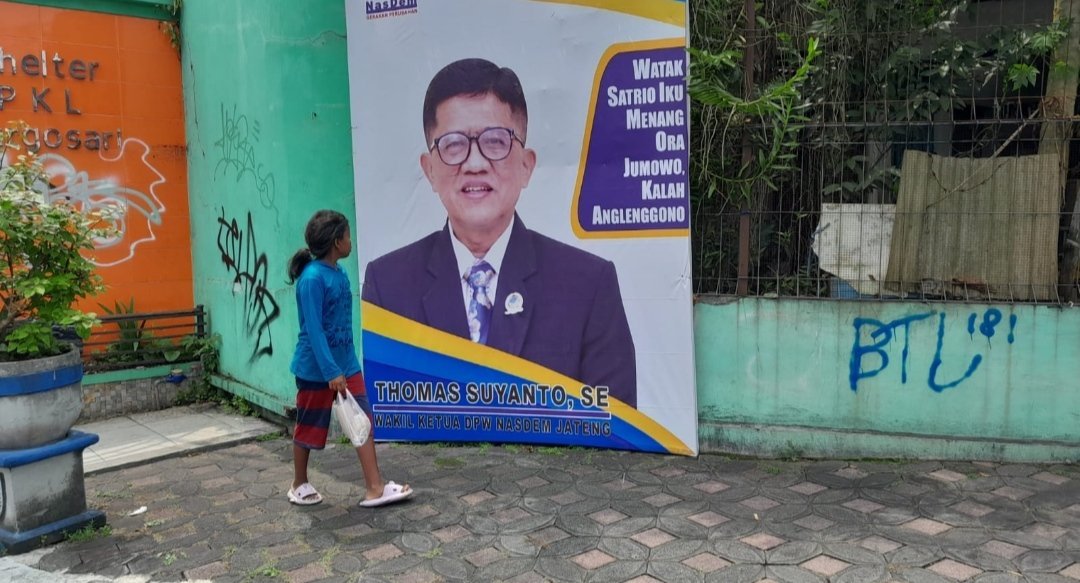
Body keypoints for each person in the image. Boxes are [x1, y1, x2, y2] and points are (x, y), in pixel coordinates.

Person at [362, 58, 637, 407]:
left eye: (495, 141)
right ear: (429, 170)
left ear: (526, 166)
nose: (475, 164)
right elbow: (386, 416)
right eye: (453, 144)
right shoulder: (388, 286)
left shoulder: (588, 285)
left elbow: (614, 424)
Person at [286, 210, 413, 508]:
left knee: (363, 421)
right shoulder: (312, 279)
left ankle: (375, 488)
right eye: (347, 236)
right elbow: (314, 331)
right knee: (309, 426)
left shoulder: (339, 272)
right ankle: (299, 484)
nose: (350, 241)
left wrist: (344, 366)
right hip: (316, 370)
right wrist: (331, 371)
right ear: (336, 242)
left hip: (347, 366)